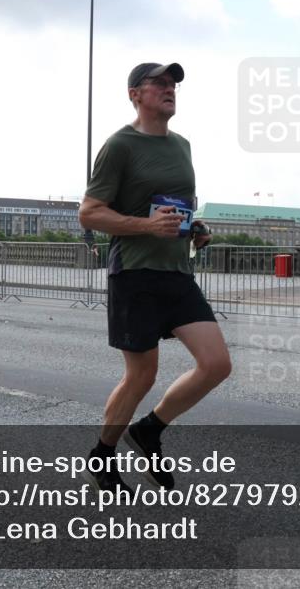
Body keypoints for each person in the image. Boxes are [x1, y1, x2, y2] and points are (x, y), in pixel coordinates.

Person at [78, 62, 230, 493]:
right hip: (135, 273)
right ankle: (103, 454)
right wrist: (147, 228)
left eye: (173, 84)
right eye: (159, 83)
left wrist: (194, 228)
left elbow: (174, 208)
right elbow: (89, 213)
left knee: (217, 364)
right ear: (135, 94)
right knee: (141, 376)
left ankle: (149, 430)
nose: (170, 89)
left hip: (176, 271)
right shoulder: (119, 145)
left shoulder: (182, 145)